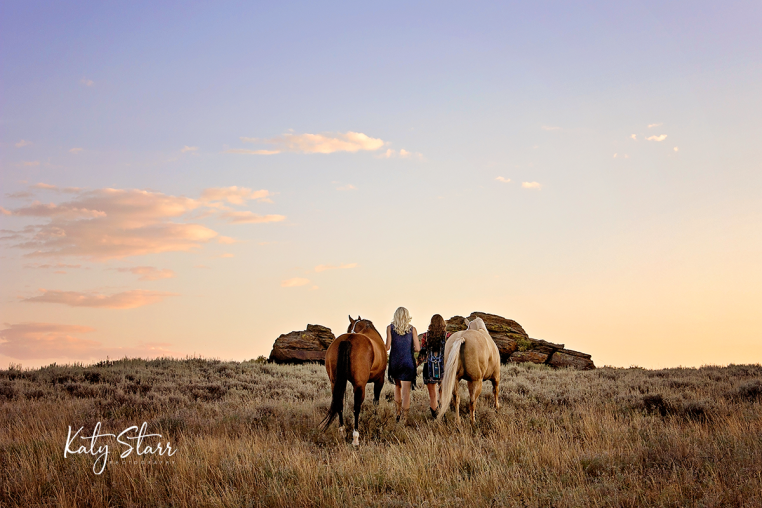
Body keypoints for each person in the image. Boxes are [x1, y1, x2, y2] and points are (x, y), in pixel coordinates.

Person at [386, 306, 420, 423]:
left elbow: (387, 347)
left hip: (395, 362)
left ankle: (398, 413)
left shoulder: (390, 328)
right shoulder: (412, 329)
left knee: (397, 387)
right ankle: (404, 418)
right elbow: (418, 348)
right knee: (406, 392)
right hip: (408, 362)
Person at [417, 314, 451, 419]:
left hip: (429, 368)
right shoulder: (448, 336)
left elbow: (422, 354)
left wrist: (415, 365)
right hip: (443, 368)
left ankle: (435, 418)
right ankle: (443, 416)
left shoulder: (426, 336)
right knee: (442, 394)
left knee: (433, 396)